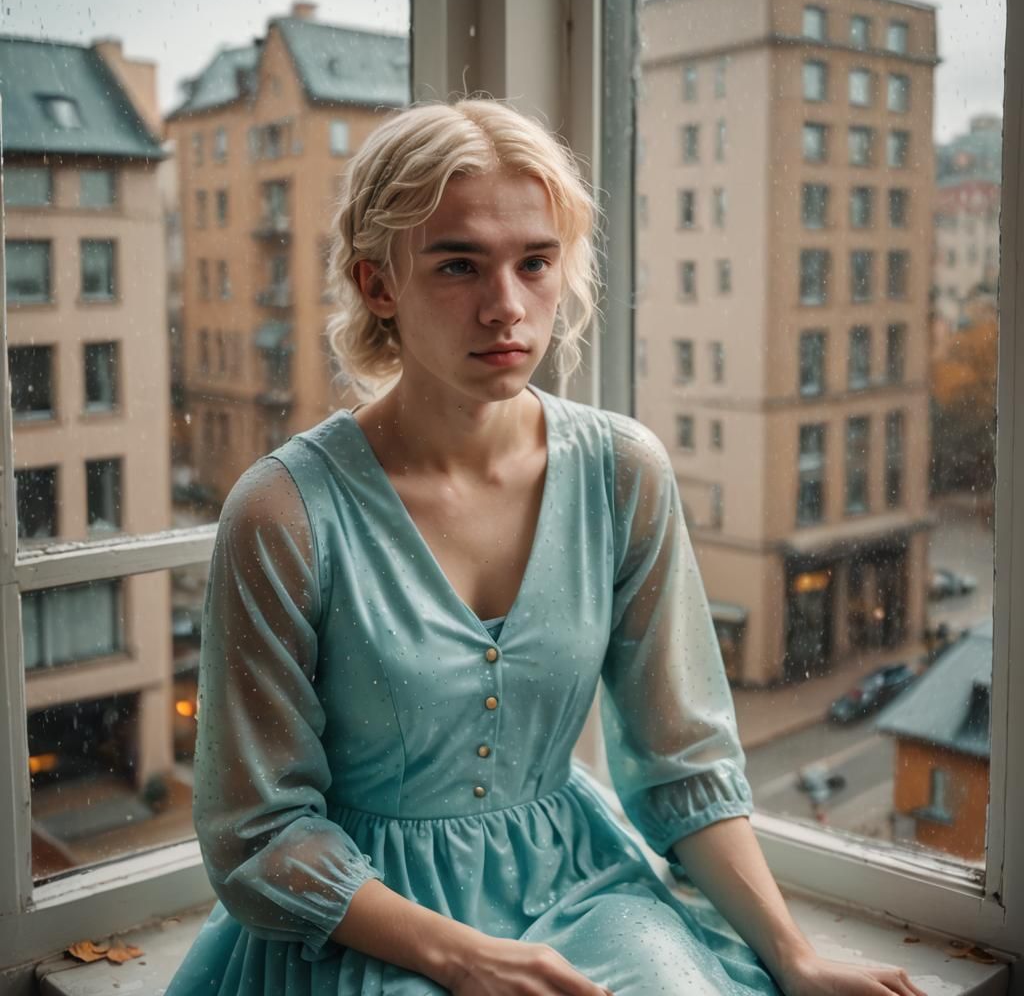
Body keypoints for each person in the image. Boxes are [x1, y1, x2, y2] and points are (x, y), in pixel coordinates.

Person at [165, 98, 927, 996]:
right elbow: (256, 833)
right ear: (378, 286)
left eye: (536, 262)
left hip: (580, 887)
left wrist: (794, 960)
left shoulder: (621, 472)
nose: (507, 307)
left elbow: (682, 764)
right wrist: (461, 957)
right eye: (458, 266)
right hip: (360, 920)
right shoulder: (284, 512)